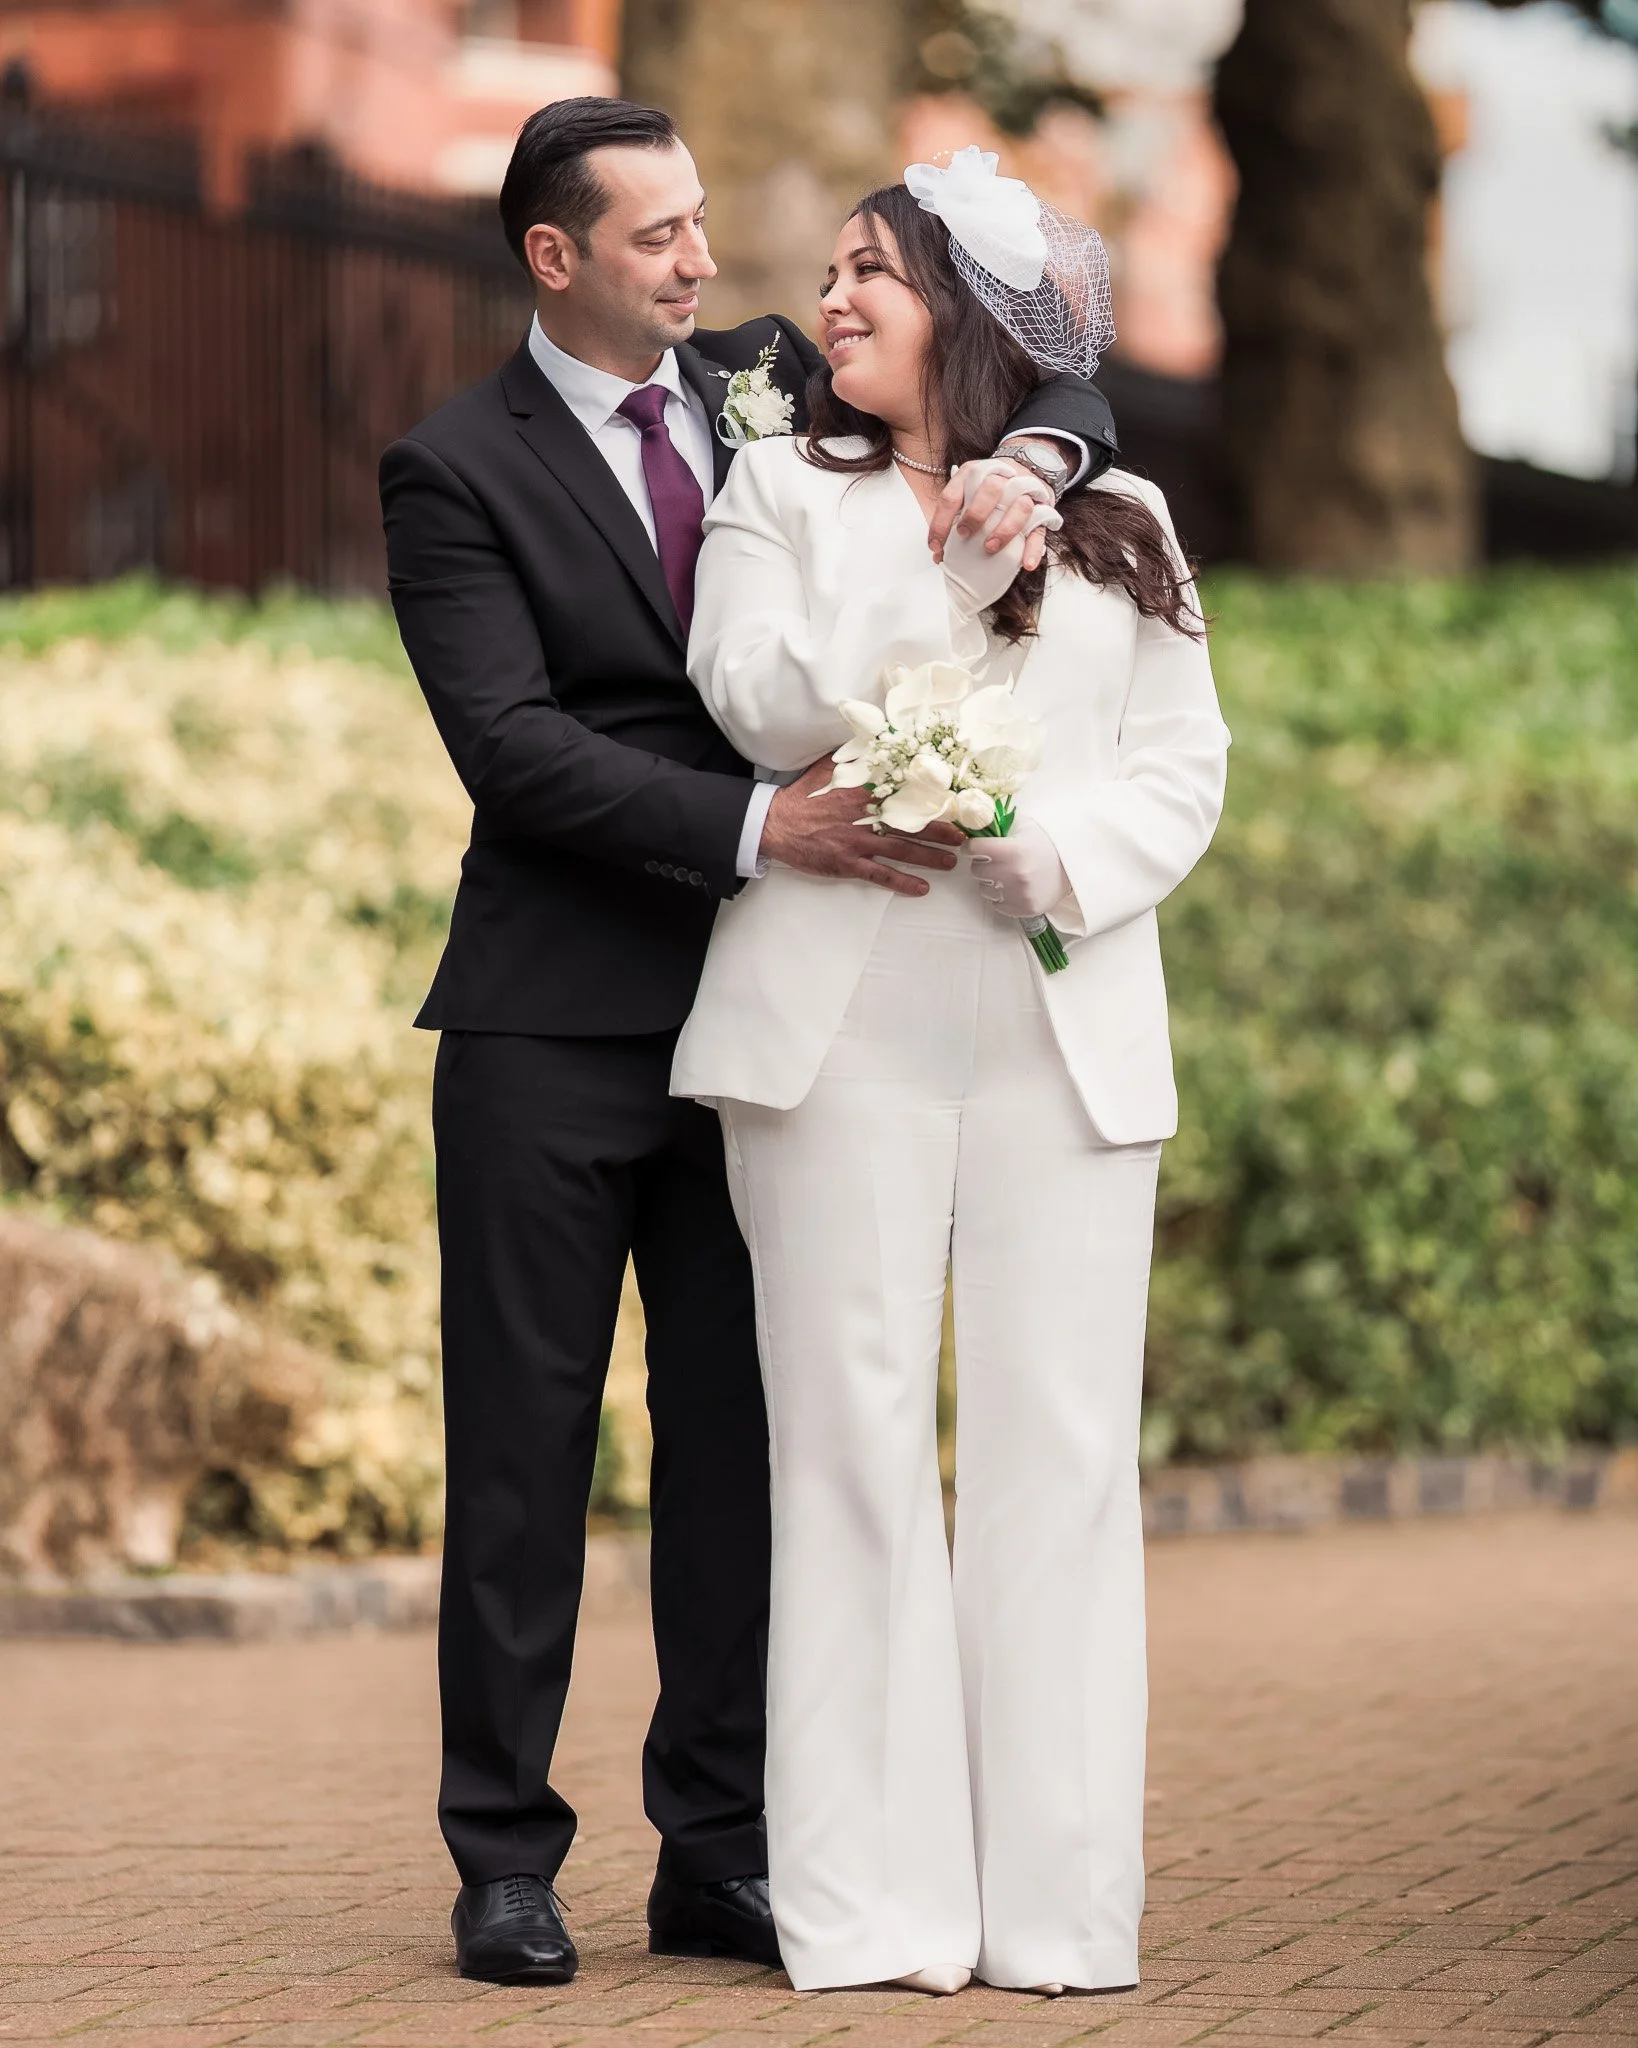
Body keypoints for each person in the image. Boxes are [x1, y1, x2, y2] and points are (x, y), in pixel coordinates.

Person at [379, 100, 1122, 1988]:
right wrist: (747, 828)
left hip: (790, 1027)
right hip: (554, 1014)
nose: (705, 266)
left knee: (744, 1452)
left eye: (704, 228)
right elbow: (512, 745)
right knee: (526, 1455)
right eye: (658, 240)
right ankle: (503, 1859)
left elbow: (1051, 369)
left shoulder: (773, 382)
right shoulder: (451, 467)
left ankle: (716, 1849)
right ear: (556, 258)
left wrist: (1031, 456)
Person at [672, 154, 1230, 1996]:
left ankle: (1058, 1913)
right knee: (844, 1457)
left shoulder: (1124, 511)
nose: (827, 303)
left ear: (974, 318)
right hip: (834, 1038)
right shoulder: (775, 487)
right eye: (827, 272)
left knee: (1058, 1461)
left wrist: (1059, 860)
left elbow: (1178, 765)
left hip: (1058, 1028)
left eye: (868, 276)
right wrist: (935, 580)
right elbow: (752, 701)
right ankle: (870, 1910)